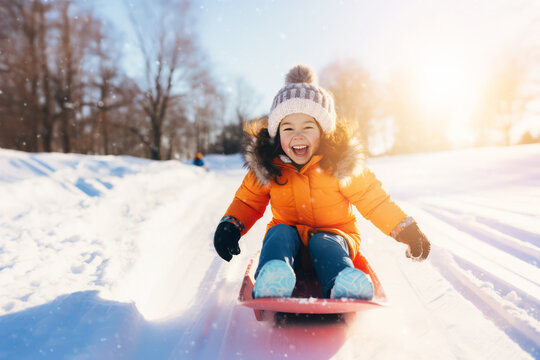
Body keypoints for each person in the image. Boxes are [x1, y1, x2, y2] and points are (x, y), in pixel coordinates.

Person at [213, 64, 430, 300]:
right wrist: (231, 225)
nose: (298, 135)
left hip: (335, 240)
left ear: (324, 132)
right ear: (277, 133)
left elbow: (374, 200)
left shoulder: (339, 165)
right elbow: (248, 202)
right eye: (288, 128)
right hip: (289, 249)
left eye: (308, 127)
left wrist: (404, 229)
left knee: (326, 241)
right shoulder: (269, 166)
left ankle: (342, 282)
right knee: (278, 233)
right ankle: (273, 276)